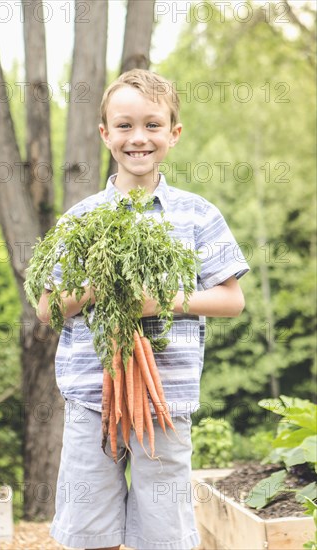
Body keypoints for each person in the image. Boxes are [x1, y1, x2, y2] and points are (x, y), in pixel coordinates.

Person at [37, 69, 249, 550]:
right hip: (93, 398)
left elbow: (232, 300)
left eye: (153, 125)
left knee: (165, 534)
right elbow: (48, 309)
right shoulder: (80, 220)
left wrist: (162, 300)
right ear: (105, 134)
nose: (138, 138)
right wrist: (97, 285)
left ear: (173, 134)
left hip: (165, 402)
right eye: (125, 125)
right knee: (90, 532)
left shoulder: (197, 214)